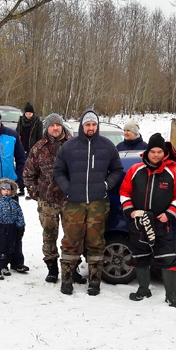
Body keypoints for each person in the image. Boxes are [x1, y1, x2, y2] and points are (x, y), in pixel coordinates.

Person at [53, 109, 124, 296]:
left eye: (93, 124)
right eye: (87, 125)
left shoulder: (108, 146)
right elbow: (58, 170)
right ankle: (67, 278)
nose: (90, 128)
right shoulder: (69, 147)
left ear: (97, 126)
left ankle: (94, 281)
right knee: (70, 241)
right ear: (82, 126)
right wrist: (68, 188)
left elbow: (117, 169)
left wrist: (106, 184)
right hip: (73, 203)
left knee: (96, 242)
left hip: (97, 203)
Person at [119, 133, 176, 307]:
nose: (156, 155)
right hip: (139, 224)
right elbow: (124, 192)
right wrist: (131, 211)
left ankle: (171, 295)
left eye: (159, 152)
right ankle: (143, 289)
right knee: (140, 258)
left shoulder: (174, 172)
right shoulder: (135, 170)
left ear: (164, 153)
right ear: (147, 152)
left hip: (161, 224)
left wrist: (169, 213)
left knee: (168, 260)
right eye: (153, 151)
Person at [22, 113, 84, 284]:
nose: (55, 128)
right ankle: (52, 269)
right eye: (52, 125)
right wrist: (36, 193)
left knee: (72, 236)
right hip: (47, 201)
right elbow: (28, 174)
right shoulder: (39, 148)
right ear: (47, 128)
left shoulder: (75, 145)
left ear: (62, 126)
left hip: (70, 200)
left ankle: (73, 268)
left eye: (58, 125)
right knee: (49, 236)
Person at [0, 178, 27, 279]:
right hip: (0, 229)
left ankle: (5, 265)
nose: (6, 191)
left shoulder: (14, 204)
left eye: (8, 190)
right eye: (4, 189)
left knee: (9, 247)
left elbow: (19, 215)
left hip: (11, 228)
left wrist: (20, 226)